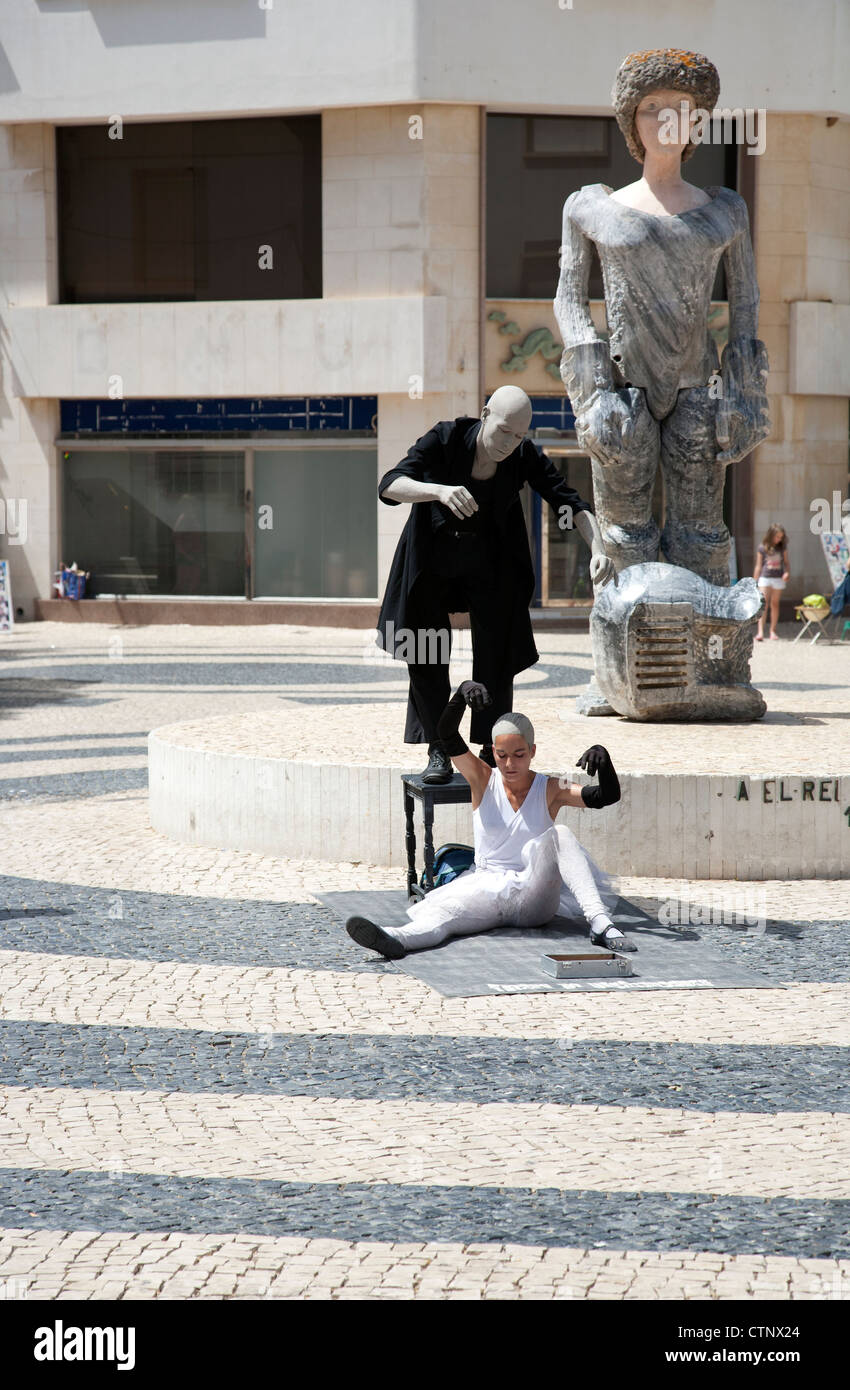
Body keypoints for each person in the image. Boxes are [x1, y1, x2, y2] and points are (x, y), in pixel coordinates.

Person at [554, 48, 770, 587]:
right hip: (623, 389)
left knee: (700, 534)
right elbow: (568, 298)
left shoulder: (724, 210)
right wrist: (593, 391)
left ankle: (709, 659)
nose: (666, 118)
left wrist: (745, 396)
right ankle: (625, 662)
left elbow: (745, 301)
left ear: (698, 120)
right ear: (632, 119)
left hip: (698, 387)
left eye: (681, 106)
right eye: (652, 106)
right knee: (624, 534)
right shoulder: (592, 208)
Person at [375, 385, 616, 786]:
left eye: (519, 435)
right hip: (431, 563)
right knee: (426, 651)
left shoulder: (521, 454)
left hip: (490, 566)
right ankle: (439, 745)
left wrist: (598, 548)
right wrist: (438, 490)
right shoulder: (445, 438)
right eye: (504, 431)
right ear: (485, 415)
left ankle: (489, 744)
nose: (510, 443)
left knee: (498, 651)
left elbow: (568, 502)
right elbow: (389, 484)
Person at [346, 679, 634, 959]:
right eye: (502, 755)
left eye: (519, 755)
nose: (510, 764)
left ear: (532, 752)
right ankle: (397, 938)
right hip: (486, 888)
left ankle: (600, 923)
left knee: (560, 834)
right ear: (493, 753)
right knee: (441, 915)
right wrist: (460, 695)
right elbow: (446, 733)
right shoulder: (482, 778)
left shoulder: (550, 788)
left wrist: (605, 762)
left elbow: (604, 797)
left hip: (534, 896)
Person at [753, 523, 789, 640]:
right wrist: (754, 581)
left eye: (781, 537)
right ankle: (760, 632)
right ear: (771, 535)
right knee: (764, 604)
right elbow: (758, 566)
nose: (779, 539)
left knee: (775, 604)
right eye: (777, 536)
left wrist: (786, 572)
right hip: (765, 577)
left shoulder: (782, 547)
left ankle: (772, 631)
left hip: (778, 578)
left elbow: (786, 563)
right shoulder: (762, 547)